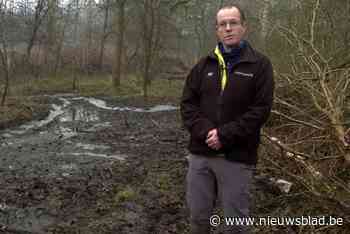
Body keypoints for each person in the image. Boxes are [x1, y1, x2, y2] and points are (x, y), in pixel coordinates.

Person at [180, 5, 274, 234]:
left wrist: (224, 135)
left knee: (235, 225)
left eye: (233, 23)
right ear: (217, 30)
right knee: (199, 219)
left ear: (244, 27)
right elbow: (187, 105)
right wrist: (207, 133)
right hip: (200, 155)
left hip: (237, 157)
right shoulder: (203, 66)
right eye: (223, 24)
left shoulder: (260, 66)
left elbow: (260, 110)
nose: (228, 28)